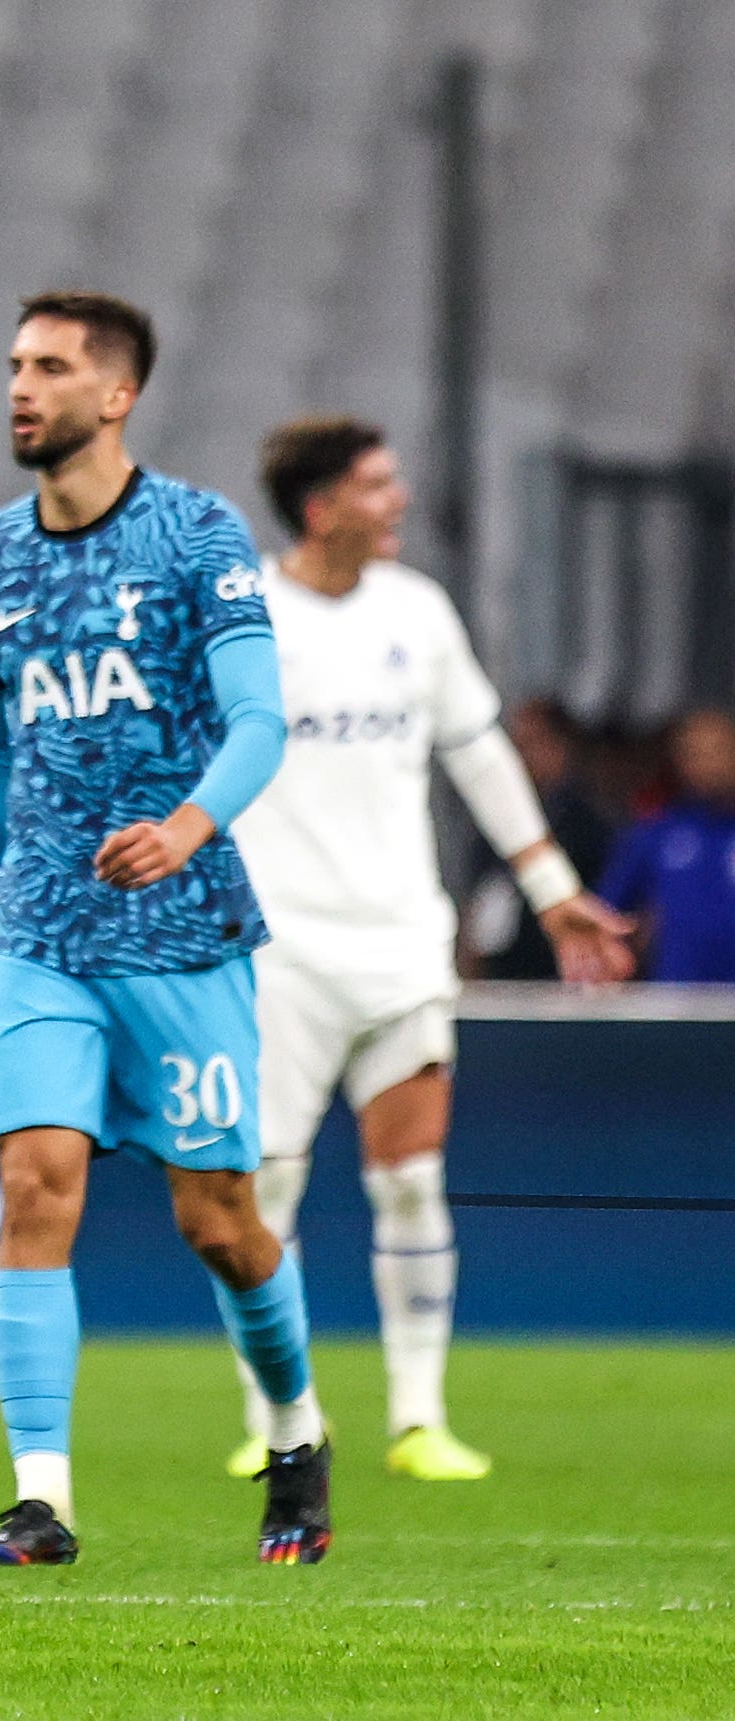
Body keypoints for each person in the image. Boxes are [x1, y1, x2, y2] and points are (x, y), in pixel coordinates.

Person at [0, 291, 328, 1567]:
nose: (19, 385)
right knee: (29, 1184)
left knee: (215, 1219)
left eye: (48, 367)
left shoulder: (193, 535)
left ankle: (293, 1433)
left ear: (113, 395)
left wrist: (186, 824)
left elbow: (258, 720)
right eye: (13, 363)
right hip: (43, 931)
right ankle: (38, 1499)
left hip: (180, 931)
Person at [225, 417, 635, 1486]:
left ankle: (416, 1418)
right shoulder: (244, 621)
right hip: (277, 955)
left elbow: (479, 755)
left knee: (408, 1180)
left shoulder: (417, 612)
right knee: (263, 1189)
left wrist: (551, 892)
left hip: (402, 943)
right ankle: (277, 1414)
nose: (397, 497)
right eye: (375, 483)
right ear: (319, 508)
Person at [462, 699, 617, 981]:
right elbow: (481, 899)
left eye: (530, 743)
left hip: (566, 977)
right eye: (515, 744)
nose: (519, 756)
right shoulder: (494, 822)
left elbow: (612, 904)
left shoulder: (590, 823)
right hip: (502, 979)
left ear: (561, 746)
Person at [601, 707, 735, 982]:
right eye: (695, 754)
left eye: (717, 751)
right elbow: (608, 913)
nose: (708, 764)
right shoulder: (655, 833)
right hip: (675, 1004)